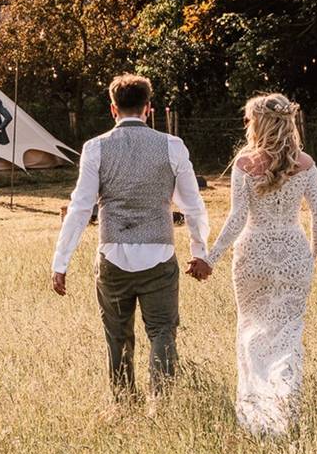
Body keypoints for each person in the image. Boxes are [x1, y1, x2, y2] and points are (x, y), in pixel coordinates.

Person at [50, 73, 210, 400]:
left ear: (113, 109)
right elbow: (193, 206)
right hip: (160, 256)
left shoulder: (96, 148)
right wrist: (199, 250)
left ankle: (124, 403)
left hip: (112, 256)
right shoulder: (172, 146)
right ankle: (161, 403)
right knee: (163, 332)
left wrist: (60, 262)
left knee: (118, 337)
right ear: (148, 109)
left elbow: (80, 208)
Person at [205, 94, 317, 437]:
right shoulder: (305, 163)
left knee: (252, 332)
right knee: (288, 334)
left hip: (253, 253)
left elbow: (237, 218)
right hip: (293, 251)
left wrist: (211, 258)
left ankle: (257, 417)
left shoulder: (245, 164)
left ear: (258, 122)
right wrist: (310, 255)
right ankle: (285, 408)